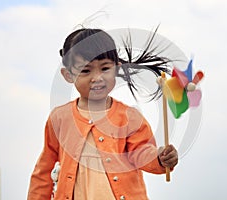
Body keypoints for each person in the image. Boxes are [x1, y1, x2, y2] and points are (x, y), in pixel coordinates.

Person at [27, 27, 178, 200]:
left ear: (117, 69)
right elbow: (44, 170)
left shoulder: (130, 117)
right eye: (85, 70)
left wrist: (159, 158)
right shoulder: (59, 118)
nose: (97, 77)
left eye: (105, 68)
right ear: (68, 75)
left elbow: (142, 152)